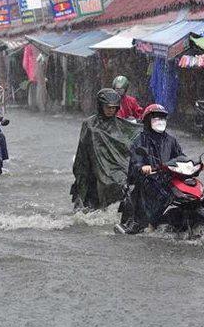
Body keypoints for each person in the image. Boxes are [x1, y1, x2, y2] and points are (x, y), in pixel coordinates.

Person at [115, 104, 191, 234]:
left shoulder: (171, 140)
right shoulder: (140, 140)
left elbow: (180, 156)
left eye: (162, 118)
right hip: (146, 180)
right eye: (156, 118)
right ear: (147, 121)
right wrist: (142, 167)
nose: (160, 121)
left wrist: (191, 165)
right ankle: (139, 224)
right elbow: (136, 160)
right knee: (147, 193)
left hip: (167, 179)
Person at [70, 88, 141, 211]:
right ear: (100, 106)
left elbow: (133, 138)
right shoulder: (90, 124)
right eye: (108, 107)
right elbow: (82, 150)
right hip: (93, 168)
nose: (111, 110)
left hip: (115, 168)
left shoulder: (121, 125)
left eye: (114, 108)